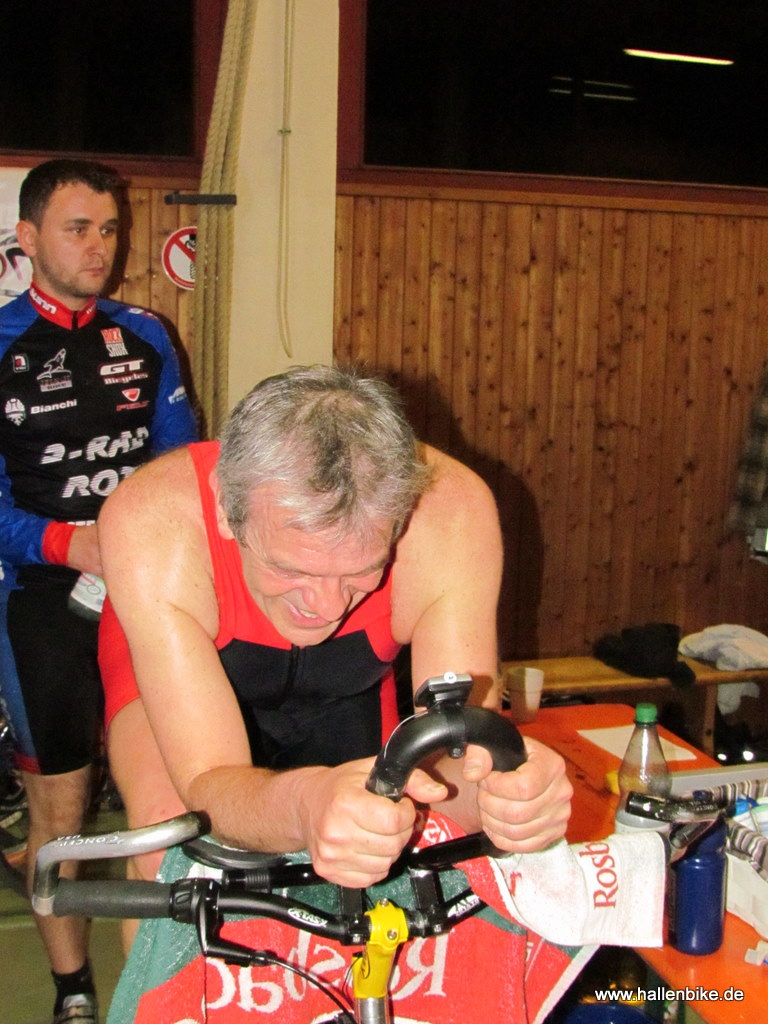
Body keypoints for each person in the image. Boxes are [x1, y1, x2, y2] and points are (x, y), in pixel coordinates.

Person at [99, 365, 571, 905]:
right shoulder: (153, 519)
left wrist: (509, 797)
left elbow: (454, 772)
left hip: (352, 675)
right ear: (227, 511)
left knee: (394, 835)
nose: (327, 608)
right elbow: (208, 782)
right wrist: (305, 804)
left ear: (401, 523)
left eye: (361, 573)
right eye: (291, 569)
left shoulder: (450, 513)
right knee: (168, 851)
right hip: (194, 645)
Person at [0, 159, 198, 1024]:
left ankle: (171, 986)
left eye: (110, 229)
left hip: (144, 593)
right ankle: (73, 990)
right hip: (40, 601)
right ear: (27, 239)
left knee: (171, 795)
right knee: (64, 813)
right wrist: (70, 542)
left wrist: (141, 545)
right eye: (78, 229)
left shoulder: (146, 335)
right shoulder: (2, 345)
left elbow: (182, 466)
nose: (100, 248)